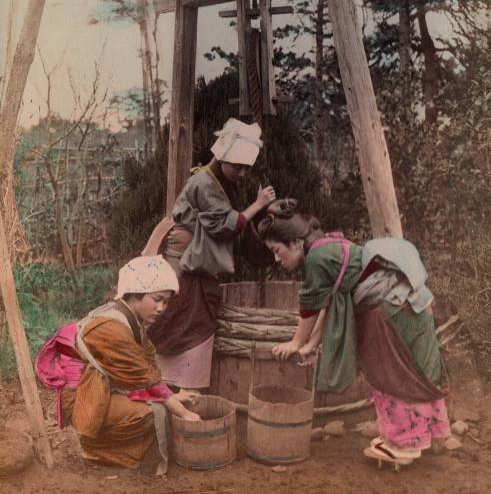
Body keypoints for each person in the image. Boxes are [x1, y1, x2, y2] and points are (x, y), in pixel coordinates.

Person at [258, 199, 450, 468]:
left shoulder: (316, 257)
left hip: (391, 308)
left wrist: (296, 342)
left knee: (393, 373)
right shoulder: (323, 247)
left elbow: (311, 305)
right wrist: (310, 344)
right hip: (398, 304)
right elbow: (330, 301)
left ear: (296, 243)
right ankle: (414, 436)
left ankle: (408, 443)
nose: (277, 260)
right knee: (411, 368)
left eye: (278, 251)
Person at [143, 118, 276, 393]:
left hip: (197, 263)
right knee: (174, 317)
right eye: (237, 166)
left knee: (196, 325)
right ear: (222, 157)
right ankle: (164, 386)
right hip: (183, 262)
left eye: (245, 168)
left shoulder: (220, 182)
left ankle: (185, 388)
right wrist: (258, 204)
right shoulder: (203, 183)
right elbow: (228, 225)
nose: (241, 173)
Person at [40, 255, 201, 472]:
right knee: (150, 413)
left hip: (99, 389)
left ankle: (108, 447)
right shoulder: (111, 327)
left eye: (166, 301)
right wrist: (183, 412)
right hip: (83, 398)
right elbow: (145, 378)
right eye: (157, 299)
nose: (162, 308)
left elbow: (145, 366)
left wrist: (172, 397)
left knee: (158, 406)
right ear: (134, 295)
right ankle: (94, 450)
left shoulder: (128, 319)